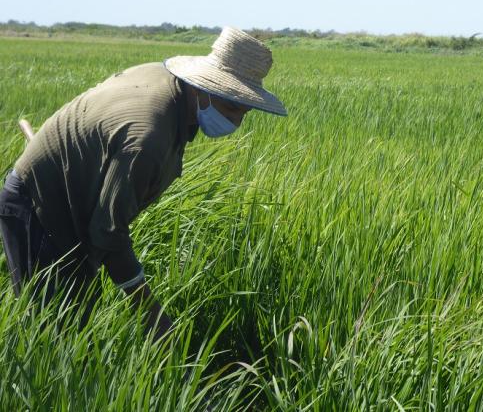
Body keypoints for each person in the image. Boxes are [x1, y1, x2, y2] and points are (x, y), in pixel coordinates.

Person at [0, 27, 287, 336]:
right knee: (53, 331)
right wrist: (152, 314)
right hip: (38, 207)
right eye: (231, 107)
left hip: (74, 201)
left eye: (244, 111)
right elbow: (109, 232)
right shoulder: (148, 137)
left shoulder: (166, 83)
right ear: (204, 87)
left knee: (75, 312)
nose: (235, 122)